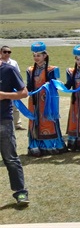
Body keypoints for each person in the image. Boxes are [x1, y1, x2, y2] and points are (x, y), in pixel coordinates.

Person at [26, 41, 67, 156]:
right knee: (34, 121)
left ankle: (52, 145)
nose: (36, 58)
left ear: (45, 56)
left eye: (38, 55)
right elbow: (29, 86)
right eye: (34, 55)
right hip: (34, 101)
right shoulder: (30, 70)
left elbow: (54, 85)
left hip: (47, 101)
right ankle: (35, 145)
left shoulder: (52, 69)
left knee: (48, 121)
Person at [0, 55, 30, 206]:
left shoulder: (8, 70)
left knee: (10, 159)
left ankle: (21, 193)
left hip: (3, 120)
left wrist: (4, 95)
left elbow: (24, 93)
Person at [1, 46, 25, 130]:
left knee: (15, 107)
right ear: (1, 53)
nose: (7, 53)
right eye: (5, 52)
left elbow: (18, 76)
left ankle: (17, 124)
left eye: (9, 52)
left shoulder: (13, 63)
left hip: (13, 89)